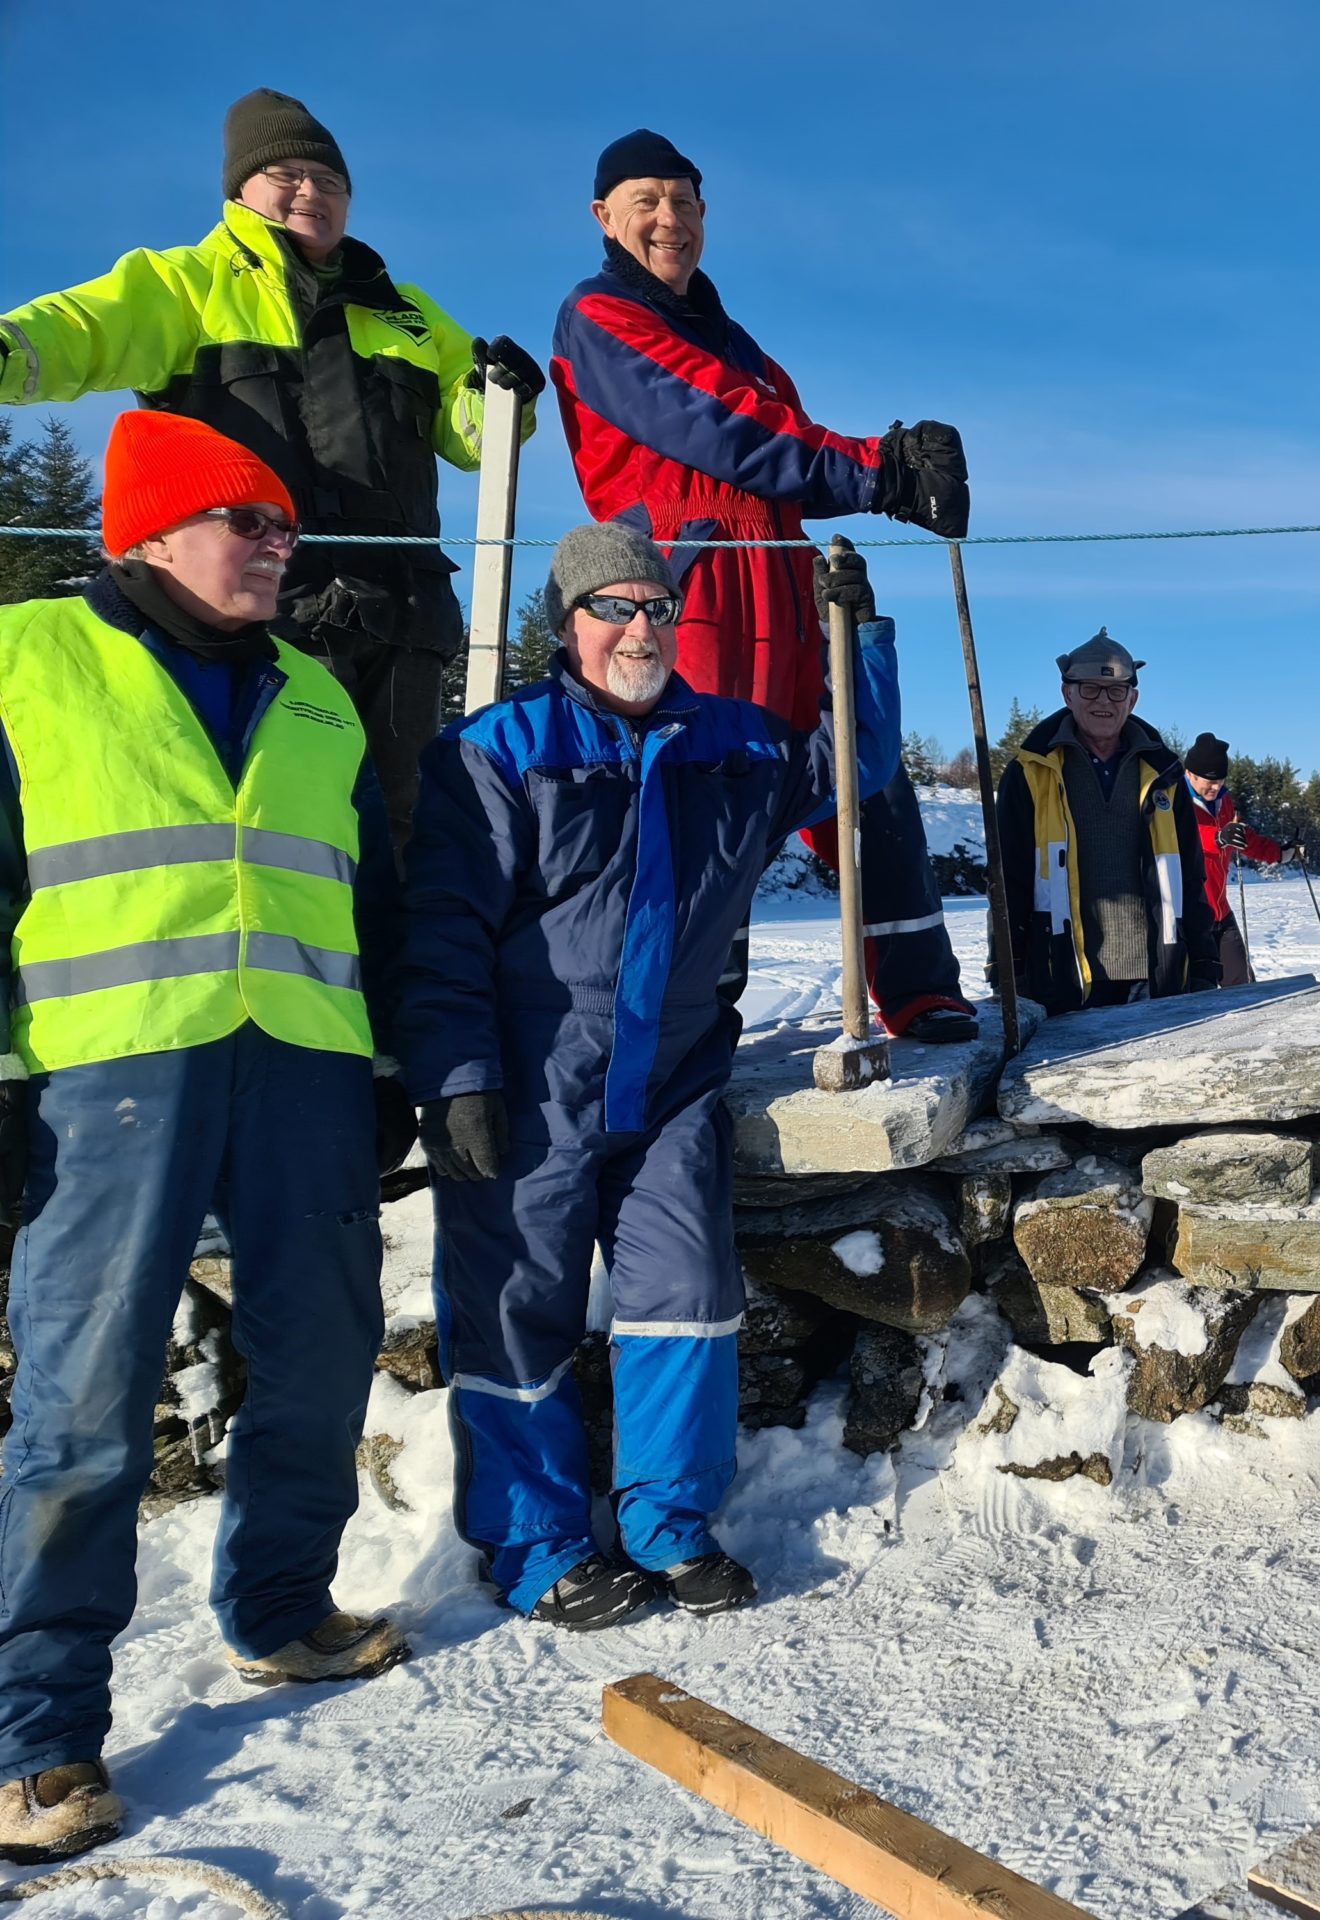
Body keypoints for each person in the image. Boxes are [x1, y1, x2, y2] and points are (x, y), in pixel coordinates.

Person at [0, 413, 411, 1863]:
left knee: (323, 1351)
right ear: (152, 531)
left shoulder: (317, 694)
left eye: (286, 526)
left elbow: (365, 893)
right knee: (84, 1395)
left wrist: (384, 1063)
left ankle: (281, 1609)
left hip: (301, 1063)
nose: (280, 548)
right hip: (109, 1073)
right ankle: (37, 1735)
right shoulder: (27, 657)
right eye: (250, 522)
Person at [399, 526, 910, 1631]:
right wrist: (457, 1075)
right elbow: (440, 927)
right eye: (614, 608)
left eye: (656, 609)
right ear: (568, 622)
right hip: (532, 1082)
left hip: (673, 1082)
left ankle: (669, 1524)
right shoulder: (498, 749)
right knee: (514, 1311)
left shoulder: (734, 747)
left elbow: (855, 769)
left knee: (687, 1298)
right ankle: (536, 1546)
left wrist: (859, 636)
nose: (640, 629)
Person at [0, 88, 542, 848]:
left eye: (330, 180)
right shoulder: (183, 285)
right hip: (263, 605)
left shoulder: (408, 312)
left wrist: (504, 397)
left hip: (403, 614)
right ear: (240, 189)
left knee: (407, 831)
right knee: (280, 821)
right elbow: (76, 332)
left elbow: (473, 440)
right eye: (287, 174)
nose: (312, 191)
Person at [550, 129, 975, 1041]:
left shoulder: (744, 346)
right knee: (709, 788)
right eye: (646, 201)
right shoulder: (600, 316)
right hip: (685, 587)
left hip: (779, 574)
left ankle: (918, 987)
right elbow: (722, 429)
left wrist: (877, 480)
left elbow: (785, 462)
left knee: (858, 761)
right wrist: (882, 470)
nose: (669, 219)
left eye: (685, 202)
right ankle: (688, 1025)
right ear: (604, 217)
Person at [993, 631, 1220, 1014]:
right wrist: (1005, 969)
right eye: (1090, 689)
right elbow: (1007, 879)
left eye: (1116, 691)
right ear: (1067, 694)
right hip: (1061, 973)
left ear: (1133, 699)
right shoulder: (1029, 773)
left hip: (1156, 972)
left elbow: (1190, 877)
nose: (1103, 701)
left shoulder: (1164, 774)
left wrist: (1203, 962)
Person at [1182, 732, 1287, 986]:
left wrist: (1281, 853)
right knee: (1200, 994)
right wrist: (1218, 837)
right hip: (1188, 919)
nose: (1216, 787)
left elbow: (1242, 837)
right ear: (1190, 773)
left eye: (1220, 780)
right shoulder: (1174, 800)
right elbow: (1183, 835)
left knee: (1243, 987)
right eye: (1210, 781)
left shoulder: (1223, 801)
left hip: (1221, 912)